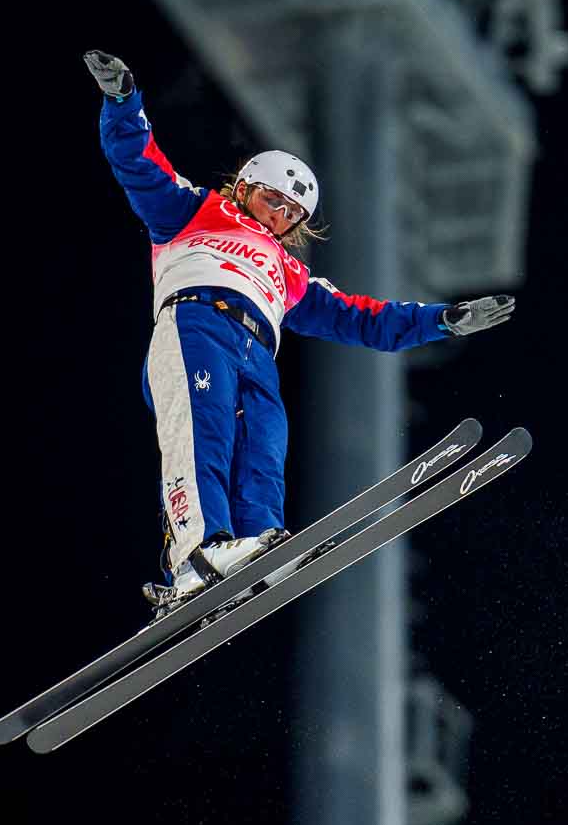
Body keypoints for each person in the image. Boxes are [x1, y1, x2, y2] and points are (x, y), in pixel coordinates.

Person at [83, 50, 515, 613]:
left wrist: (442, 320)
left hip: (257, 346)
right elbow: (140, 164)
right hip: (196, 323)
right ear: (244, 188)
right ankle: (196, 555)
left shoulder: (292, 274)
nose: (279, 216)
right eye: (272, 199)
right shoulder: (193, 210)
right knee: (203, 433)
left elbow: (364, 318)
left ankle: (258, 543)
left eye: (291, 212)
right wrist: (123, 103)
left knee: (264, 444)